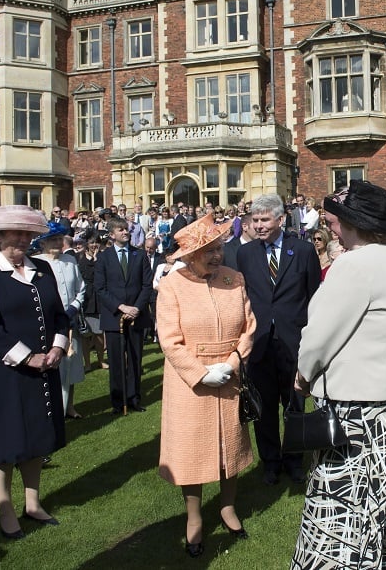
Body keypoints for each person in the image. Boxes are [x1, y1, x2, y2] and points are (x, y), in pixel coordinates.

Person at [292, 180, 386, 568]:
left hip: (362, 404)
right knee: (382, 499)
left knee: (347, 503)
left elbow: (320, 335)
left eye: (338, 219)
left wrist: (303, 375)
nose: (333, 225)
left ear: (352, 223)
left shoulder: (354, 265)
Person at [0, 206, 69, 540]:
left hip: (45, 365)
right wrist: (28, 358)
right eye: (16, 235)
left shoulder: (41, 268)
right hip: (3, 369)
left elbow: (59, 314)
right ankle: (5, 508)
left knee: (38, 433)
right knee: (6, 437)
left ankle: (33, 503)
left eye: (28, 235)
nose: (24, 240)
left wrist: (56, 347)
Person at [156, 217, 256, 558]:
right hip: (190, 383)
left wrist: (230, 365)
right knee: (192, 451)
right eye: (208, 251)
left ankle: (228, 506)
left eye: (219, 248)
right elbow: (169, 340)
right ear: (190, 254)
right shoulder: (171, 286)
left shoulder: (234, 278)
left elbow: (248, 327)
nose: (217, 256)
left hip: (229, 376)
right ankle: (195, 517)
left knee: (231, 444)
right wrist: (200, 373)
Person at [236, 194, 320, 485]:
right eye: (255, 220)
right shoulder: (245, 255)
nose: (258, 226)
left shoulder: (304, 250)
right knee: (265, 407)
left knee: (295, 405)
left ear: (280, 220)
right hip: (260, 343)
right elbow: (243, 299)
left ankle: (294, 460)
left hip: (294, 341)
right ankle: (270, 462)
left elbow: (313, 297)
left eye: (264, 220)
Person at [94, 216, 153, 414]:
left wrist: (136, 308)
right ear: (111, 235)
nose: (126, 232)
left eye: (126, 229)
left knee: (135, 359)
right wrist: (121, 307)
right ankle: (118, 402)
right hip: (114, 316)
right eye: (121, 230)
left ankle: (134, 398)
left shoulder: (139, 255)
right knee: (117, 360)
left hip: (137, 315)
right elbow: (100, 289)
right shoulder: (104, 257)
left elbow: (147, 284)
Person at [34, 223, 87, 419]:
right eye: (53, 240)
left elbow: (81, 288)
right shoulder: (36, 262)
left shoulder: (70, 260)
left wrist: (73, 308)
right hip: (48, 323)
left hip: (70, 321)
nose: (57, 243)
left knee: (71, 365)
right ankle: (51, 408)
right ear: (43, 242)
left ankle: (69, 406)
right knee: (52, 364)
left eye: (59, 239)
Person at [76, 236, 107, 371]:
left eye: (96, 242)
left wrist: (97, 259)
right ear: (87, 244)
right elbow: (86, 275)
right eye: (92, 242)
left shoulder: (103, 258)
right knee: (86, 335)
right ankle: (87, 363)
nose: (94, 245)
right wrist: (93, 261)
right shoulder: (81, 259)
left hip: (99, 299)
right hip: (87, 299)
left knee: (99, 332)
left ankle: (101, 360)